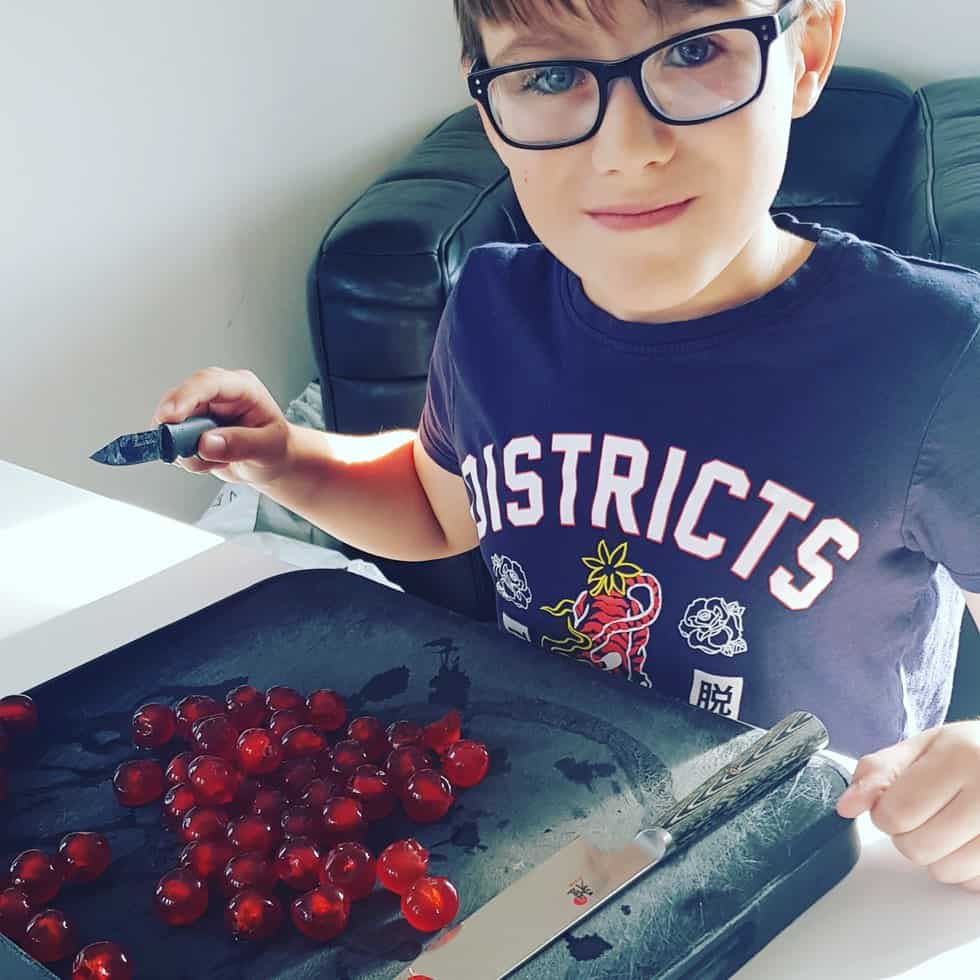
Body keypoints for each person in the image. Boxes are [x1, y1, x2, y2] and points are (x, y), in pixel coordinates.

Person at [152, 0, 980, 889]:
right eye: (549, 75)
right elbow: (440, 510)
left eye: (696, 51)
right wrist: (287, 460)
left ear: (806, 51)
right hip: (552, 833)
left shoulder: (938, 353)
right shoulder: (489, 307)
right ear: (491, 118)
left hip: (815, 868)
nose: (626, 147)